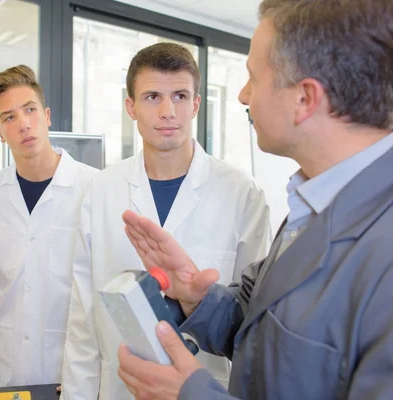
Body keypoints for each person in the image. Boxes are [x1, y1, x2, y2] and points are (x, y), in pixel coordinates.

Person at [117, 0, 393, 399]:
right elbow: (257, 328)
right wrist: (197, 298)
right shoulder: (311, 204)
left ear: (305, 99)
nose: (243, 96)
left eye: (253, 78)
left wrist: (192, 395)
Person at [60, 43, 272, 400]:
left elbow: (253, 320)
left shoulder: (243, 194)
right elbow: (83, 316)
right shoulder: (102, 189)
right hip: (121, 388)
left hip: (206, 387)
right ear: (131, 106)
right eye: (152, 97)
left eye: (180, 96)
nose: (168, 111)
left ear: (196, 105)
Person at [0, 65, 98, 388]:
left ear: (47, 115)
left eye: (29, 110)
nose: (23, 124)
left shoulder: (94, 187)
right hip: (7, 366)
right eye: (9, 117)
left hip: (70, 367)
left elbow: (106, 281)